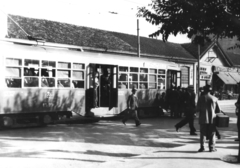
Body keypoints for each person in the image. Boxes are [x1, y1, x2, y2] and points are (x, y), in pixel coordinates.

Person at [197, 85, 221, 152]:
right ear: (210, 91)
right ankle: (212, 148)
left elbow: (198, 109)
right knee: (212, 133)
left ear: (204, 90)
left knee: (203, 133)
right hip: (212, 119)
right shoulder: (215, 98)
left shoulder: (200, 98)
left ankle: (202, 147)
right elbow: (218, 110)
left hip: (203, 119)